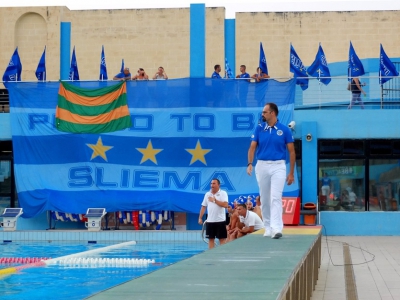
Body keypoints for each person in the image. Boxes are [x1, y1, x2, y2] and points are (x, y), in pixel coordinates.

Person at [246, 102, 295, 239]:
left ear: (272, 113)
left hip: (279, 165)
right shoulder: (259, 129)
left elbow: (291, 152)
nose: (262, 114)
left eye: (264, 112)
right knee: (265, 198)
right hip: (262, 165)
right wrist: (250, 163)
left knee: (275, 197)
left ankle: (277, 228)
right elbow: (252, 148)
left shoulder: (284, 130)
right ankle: (267, 227)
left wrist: (291, 173)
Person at [198, 178, 229, 248]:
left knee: (222, 239)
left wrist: (215, 201)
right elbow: (203, 206)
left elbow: (225, 205)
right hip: (210, 221)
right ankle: (211, 256)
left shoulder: (223, 193)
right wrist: (200, 218)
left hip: (220, 220)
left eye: (214, 183)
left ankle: (222, 255)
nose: (212, 185)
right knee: (211, 239)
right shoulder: (207, 194)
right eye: (211, 184)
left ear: (218, 185)